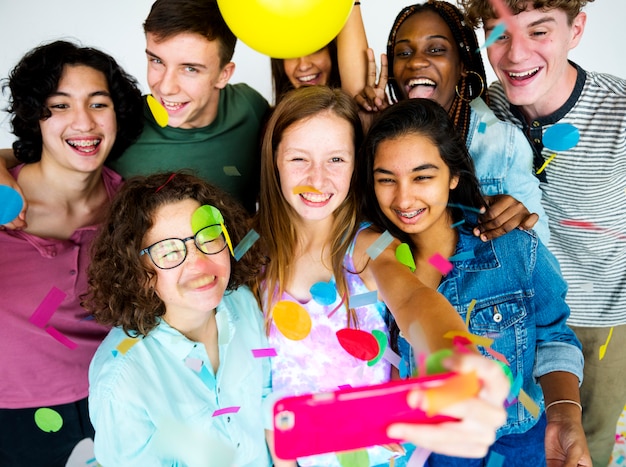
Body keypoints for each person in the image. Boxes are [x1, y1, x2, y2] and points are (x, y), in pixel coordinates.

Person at [253, 85, 507, 466]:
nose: (317, 179)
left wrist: (453, 357)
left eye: (336, 159)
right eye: (298, 159)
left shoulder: (369, 246)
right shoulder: (250, 251)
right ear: (274, 160)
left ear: (358, 164)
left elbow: (410, 298)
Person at [358, 97, 589, 466]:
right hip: (439, 450)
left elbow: (554, 336)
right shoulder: (374, 264)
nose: (404, 198)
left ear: (453, 176)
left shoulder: (514, 248)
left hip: (523, 443)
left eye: (422, 176)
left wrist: (563, 417)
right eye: (387, 179)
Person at [458, 0, 626, 465]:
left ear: (576, 30)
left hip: (599, 319)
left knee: (581, 441)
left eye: (539, 31)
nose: (515, 54)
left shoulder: (620, 112)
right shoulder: (485, 111)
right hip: (512, 314)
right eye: (499, 33)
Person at [0, 40, 143, 466]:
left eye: (98, 104)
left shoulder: (135, 211)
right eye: (60, 106)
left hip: (118, 407)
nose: (84, 122)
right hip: (13, 421)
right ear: (35, 118)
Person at [0, 0, 269, 217]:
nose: (166, 87)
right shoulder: (123, 120)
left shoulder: (250, 107)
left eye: (190, 69)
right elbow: (38, 152)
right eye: (157, 61)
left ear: (224, 74)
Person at [84, 172, 274, 465]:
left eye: (208, 237)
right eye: (169, 251)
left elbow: (266, 398)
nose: (199, 264)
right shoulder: (121, 381)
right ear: (136, 270)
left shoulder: (243, 304)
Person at [355, 0, 549, 243]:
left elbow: (539, 245)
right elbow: (369, 246)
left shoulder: (500, 142)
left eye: (436, 49)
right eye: (403, 53)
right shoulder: (384, 139)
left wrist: (519, 222)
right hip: (413, 276)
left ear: (462, 65)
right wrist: (365, 127)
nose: (415, 62)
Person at [271, 2, 368, 104]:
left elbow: (355, 92)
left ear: (332, 51)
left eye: (315, 50)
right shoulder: (269, 118)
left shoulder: (351, 112)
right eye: (291, 52)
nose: (304, 66)